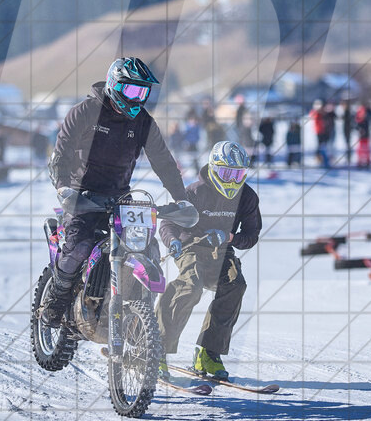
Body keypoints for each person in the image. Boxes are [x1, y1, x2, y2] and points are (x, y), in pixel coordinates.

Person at [39, 57, 188, 327]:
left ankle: (136, 321)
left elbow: (164, 162)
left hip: (121, 199)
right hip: (81, 196)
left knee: (146, 247)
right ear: (114, 85)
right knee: (79, 246)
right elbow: (60, 154)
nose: (138, 99)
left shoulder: (143, 121)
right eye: (132, 91)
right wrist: (63, 187)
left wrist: (182, 199)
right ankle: (55, 302)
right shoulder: (84, 112)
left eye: (143, 92)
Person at [156, 141, 261, 379]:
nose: (232, 181)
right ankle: (156, 349)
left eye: (238, 174)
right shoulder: (194, 193)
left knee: (235, 284)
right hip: (190, 247)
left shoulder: (247, 197)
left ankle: (208, 353)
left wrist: (229, 236)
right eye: (226, 173)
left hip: (222, 250)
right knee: (191, 285)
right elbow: (169, 222)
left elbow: (252, 235)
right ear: (214, 169)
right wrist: (172, 240)